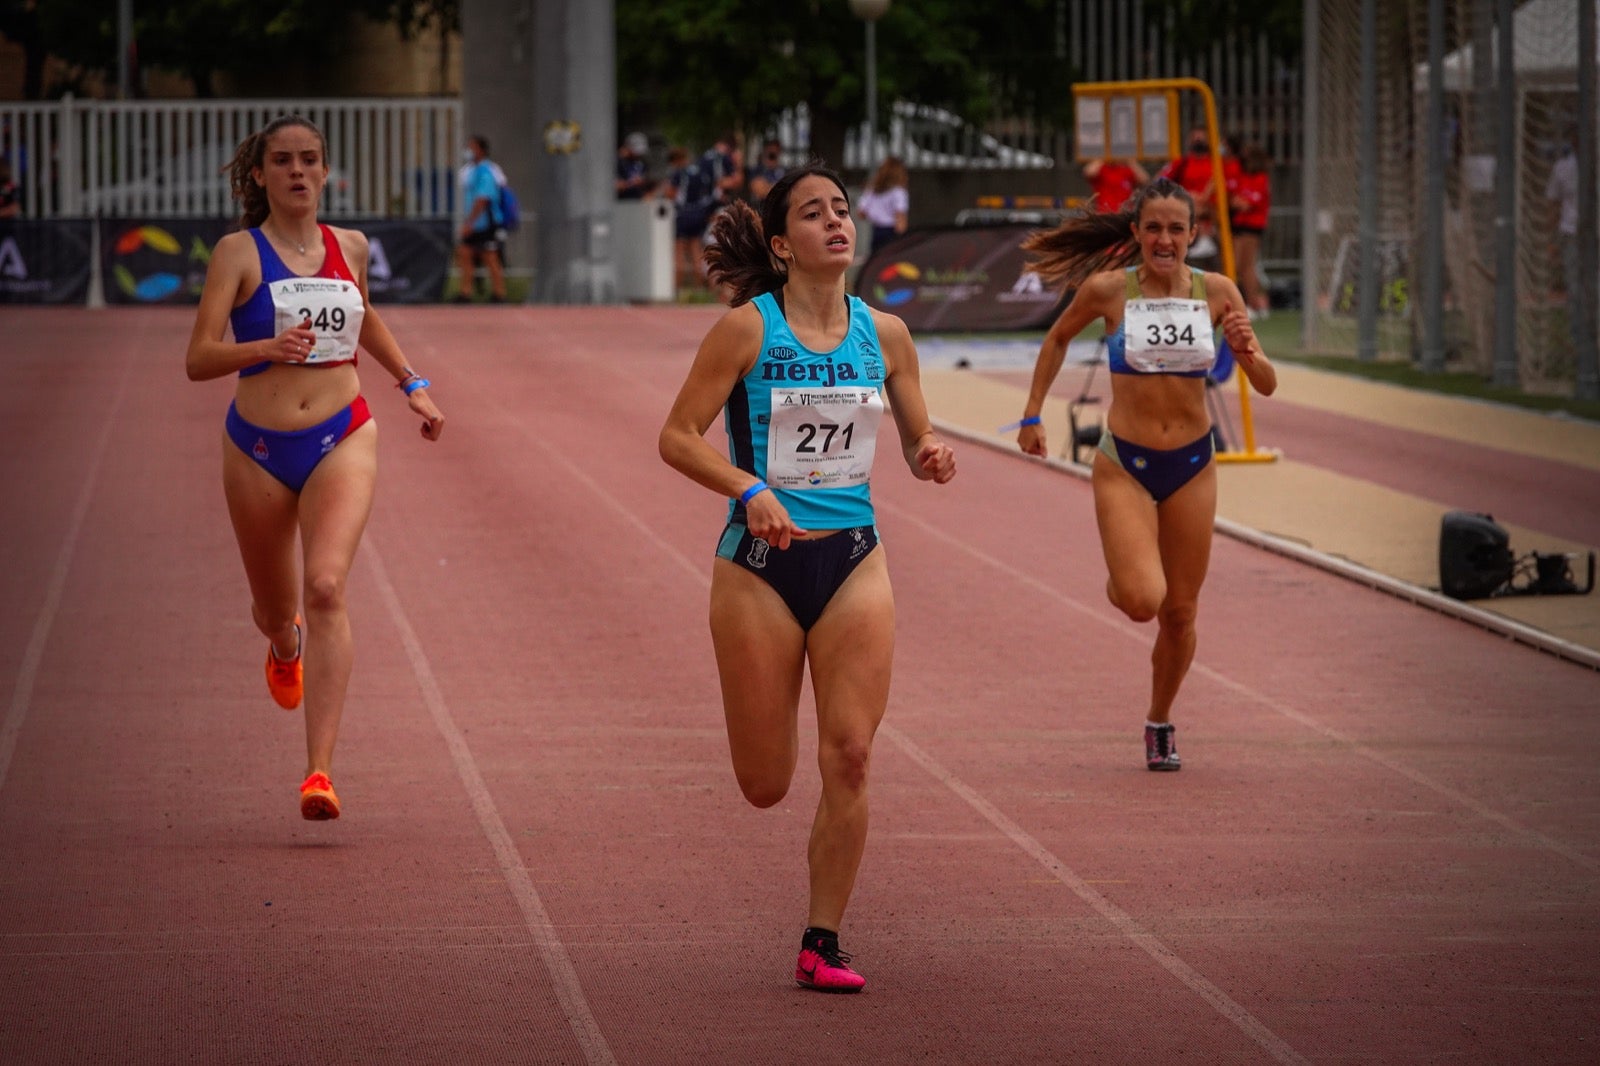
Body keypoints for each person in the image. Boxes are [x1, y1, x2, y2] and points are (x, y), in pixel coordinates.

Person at [657, 163, 956, 992]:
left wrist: (929, 454)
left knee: (852, 754)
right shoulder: (747, 332)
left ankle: (822, 939)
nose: (837, 221)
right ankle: (809, 902)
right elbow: (678, 436)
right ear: (784, 246)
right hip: (759, 568)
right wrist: (748, 489)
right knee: (765, 784)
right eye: (814, 213)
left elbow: (915, 437)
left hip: (854, 557)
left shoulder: (886, 335)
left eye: (843, 209)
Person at [185, 115, 445, 820]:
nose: (298, 171)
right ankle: (283, 641)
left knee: (326, 585)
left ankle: (319, 772)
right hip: (258, 448)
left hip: (342, 433)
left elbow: (365, 318)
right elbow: (198, 359)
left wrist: (410, 382)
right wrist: (265, 347)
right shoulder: (238, 254)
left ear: (326, 172)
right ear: (261, 175)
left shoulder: (350, 246)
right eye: (282, 161)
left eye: (309, 160)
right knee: (276, 608)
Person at [1014, 177, 1275, 771]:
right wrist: (1031, 413)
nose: (1164, 239)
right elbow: (1056, 338)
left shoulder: (1218, 293)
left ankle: (1160, 721)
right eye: (1152, 227)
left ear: (1193, 236)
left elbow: (1265, 384)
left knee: (1179, 613)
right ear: (1135, 234)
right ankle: (1121, 576)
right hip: (1125, 463)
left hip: (1191, 465)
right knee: (1140, 600)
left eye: (1175, 229)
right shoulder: (1109, 291)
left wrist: (1250, 350)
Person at [453, 134, 507, 303]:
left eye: (473, 147)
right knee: (465, 253)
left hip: (486, 223)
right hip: (475, 223)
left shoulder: (486, 171)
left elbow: (483, 199)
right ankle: (465, 292)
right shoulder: (472, 170)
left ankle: (499, 293)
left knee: (490, 257)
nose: (469, 151)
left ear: (481, 150)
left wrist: (470, 223)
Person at [1228, 142, 1272, 318]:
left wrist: (1239, 203)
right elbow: (1234, 200)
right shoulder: (1243, 177)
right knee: (1241, 266)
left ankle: (1252, 303)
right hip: (1239, 226)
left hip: (1252, 227)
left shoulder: (1261, 178)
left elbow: (1246, 203)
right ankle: (1252, 302)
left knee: (1245, 266)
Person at [856, 155, 909, 258]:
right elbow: (900, 222)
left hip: (877, 231)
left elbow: (861, 213)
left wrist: (876, 214)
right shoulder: (899, 192)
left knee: (877, 262)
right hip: (892, 232)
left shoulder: (872, 190)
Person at [1082, 156, 1149, 213]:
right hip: (1105, 214)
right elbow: (1089, 172)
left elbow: (1144, 179)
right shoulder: (1102, 169)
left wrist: (1129, 160)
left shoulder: (1127, 170)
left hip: (1124, 214)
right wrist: (1106, 155)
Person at [745, 137, 786, 207]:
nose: (772, 154)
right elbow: (759, 190)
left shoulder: (784, 171)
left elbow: (786, 193)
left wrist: (766, 187)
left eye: (774, 153)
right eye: (770, 151)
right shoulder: (757, 170)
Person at [616, 131, 652, 200]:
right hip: (619, 203)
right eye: (635, 152)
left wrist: (642, 182)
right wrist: (629, 183)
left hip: (636, 201)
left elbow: (644, 180)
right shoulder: (615, 161)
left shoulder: (640, 163)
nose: (638, 155)